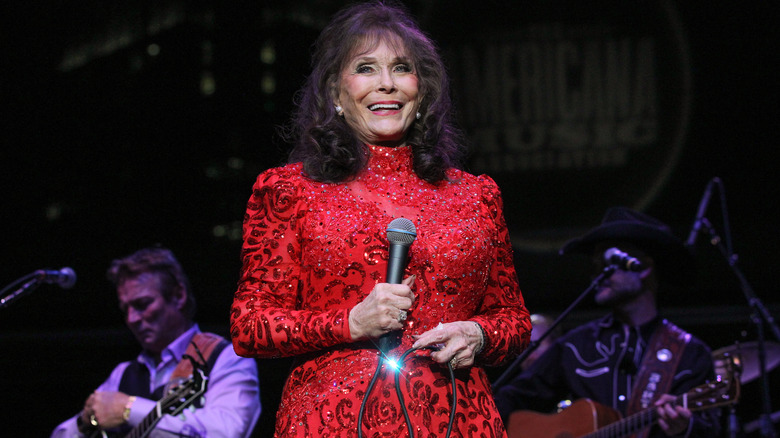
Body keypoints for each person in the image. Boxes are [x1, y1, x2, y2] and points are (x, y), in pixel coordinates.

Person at [229, 2, 532, 437]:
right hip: (334, 422)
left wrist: (479, 334)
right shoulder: (289, 191)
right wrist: (350, 322)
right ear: (335, 92)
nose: (386, 84)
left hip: (459, 421)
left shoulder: (476, 196)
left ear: (422, 91)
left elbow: (515, 321)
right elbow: (250, 325)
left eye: (402, 69)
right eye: (366, 68)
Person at [493, 207, 722, 438]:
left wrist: (684, 427)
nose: (597, 275)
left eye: (608, 264)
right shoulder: (575, 346)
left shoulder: (690, 354)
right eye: (595, 267)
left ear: (643, 268)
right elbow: (511, 397)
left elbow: (711, 430)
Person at [52, 247, 261, 438]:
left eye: (142, 304)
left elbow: (228, 432)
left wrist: (129, 409)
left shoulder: (225, 357)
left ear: (178, 295)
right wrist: (84, 423)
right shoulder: (123, 373)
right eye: (126, 310)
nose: (132, 318)